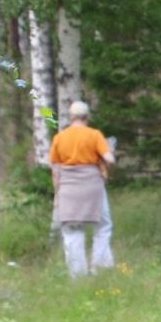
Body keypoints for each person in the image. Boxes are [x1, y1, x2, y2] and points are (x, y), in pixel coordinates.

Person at [49, 100, 116, 278]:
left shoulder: (59, 138)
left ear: (71, 117)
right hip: (92, 186)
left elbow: (55, 169)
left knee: (72, 231)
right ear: (87, 117)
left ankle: (78, 276)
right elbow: (109, 159)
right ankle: (99, 269)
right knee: (103, 226)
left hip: (68, 189)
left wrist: (57, 192)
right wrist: (105, 172)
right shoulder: (94, 135)